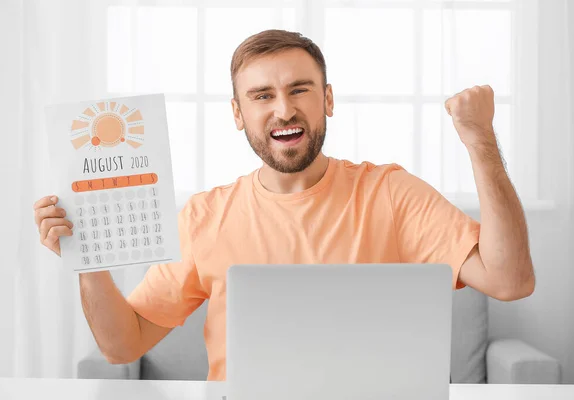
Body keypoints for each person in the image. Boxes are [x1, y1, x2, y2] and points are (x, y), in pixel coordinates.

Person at [33, 29, 535, 381]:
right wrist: (89, 258)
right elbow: (123, 345)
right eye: (261, 95)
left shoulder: (392, 194)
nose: (283, 108)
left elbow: (510, 280)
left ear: (328, 99)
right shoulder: (207, 218)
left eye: (300, 89)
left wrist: (480, 141)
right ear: (237, 113)